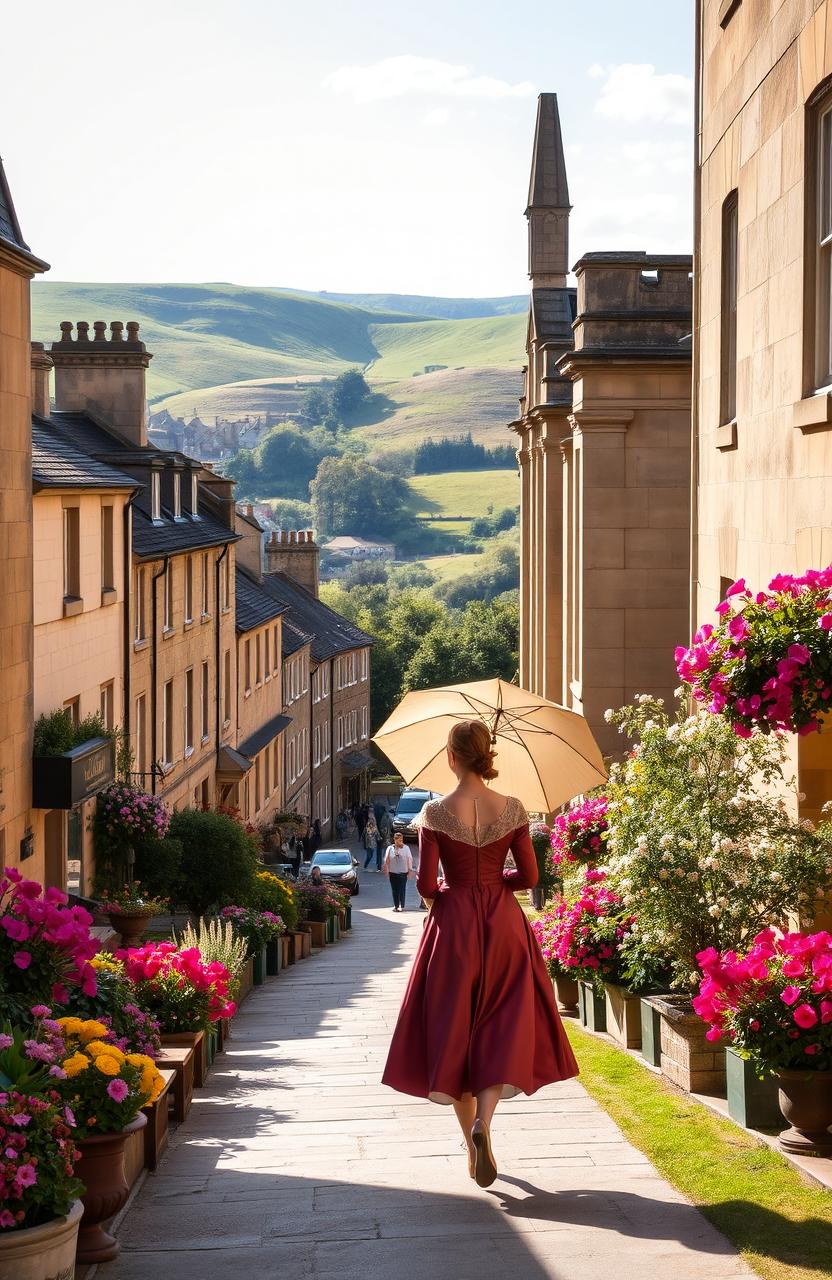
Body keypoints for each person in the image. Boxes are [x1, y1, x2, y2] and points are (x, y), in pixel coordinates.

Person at [381, 720, 579, 1189]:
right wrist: (495, 883)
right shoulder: (512, 808)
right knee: (499, 1025)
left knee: (455, 1032)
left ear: (451, 757)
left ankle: (473, 1149)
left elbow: (428, 886)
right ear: (486, 755)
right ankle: (484, 1123)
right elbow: (530, 878)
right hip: (503, 924)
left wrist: (451, 888)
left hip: (453, 927)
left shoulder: (432, 813)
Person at [382, 831, 413, 912]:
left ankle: (401, 906)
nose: (401, 841)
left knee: (402, 889)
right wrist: (387, 870)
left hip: (403, 872)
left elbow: (409, 859)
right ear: (395, 840)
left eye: (401, 839)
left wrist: (410, 870)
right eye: (399, 840)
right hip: (392, 872)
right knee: (394, 889)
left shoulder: (406, 848)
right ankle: (396, 905)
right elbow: (386, 859)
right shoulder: (390, 848)